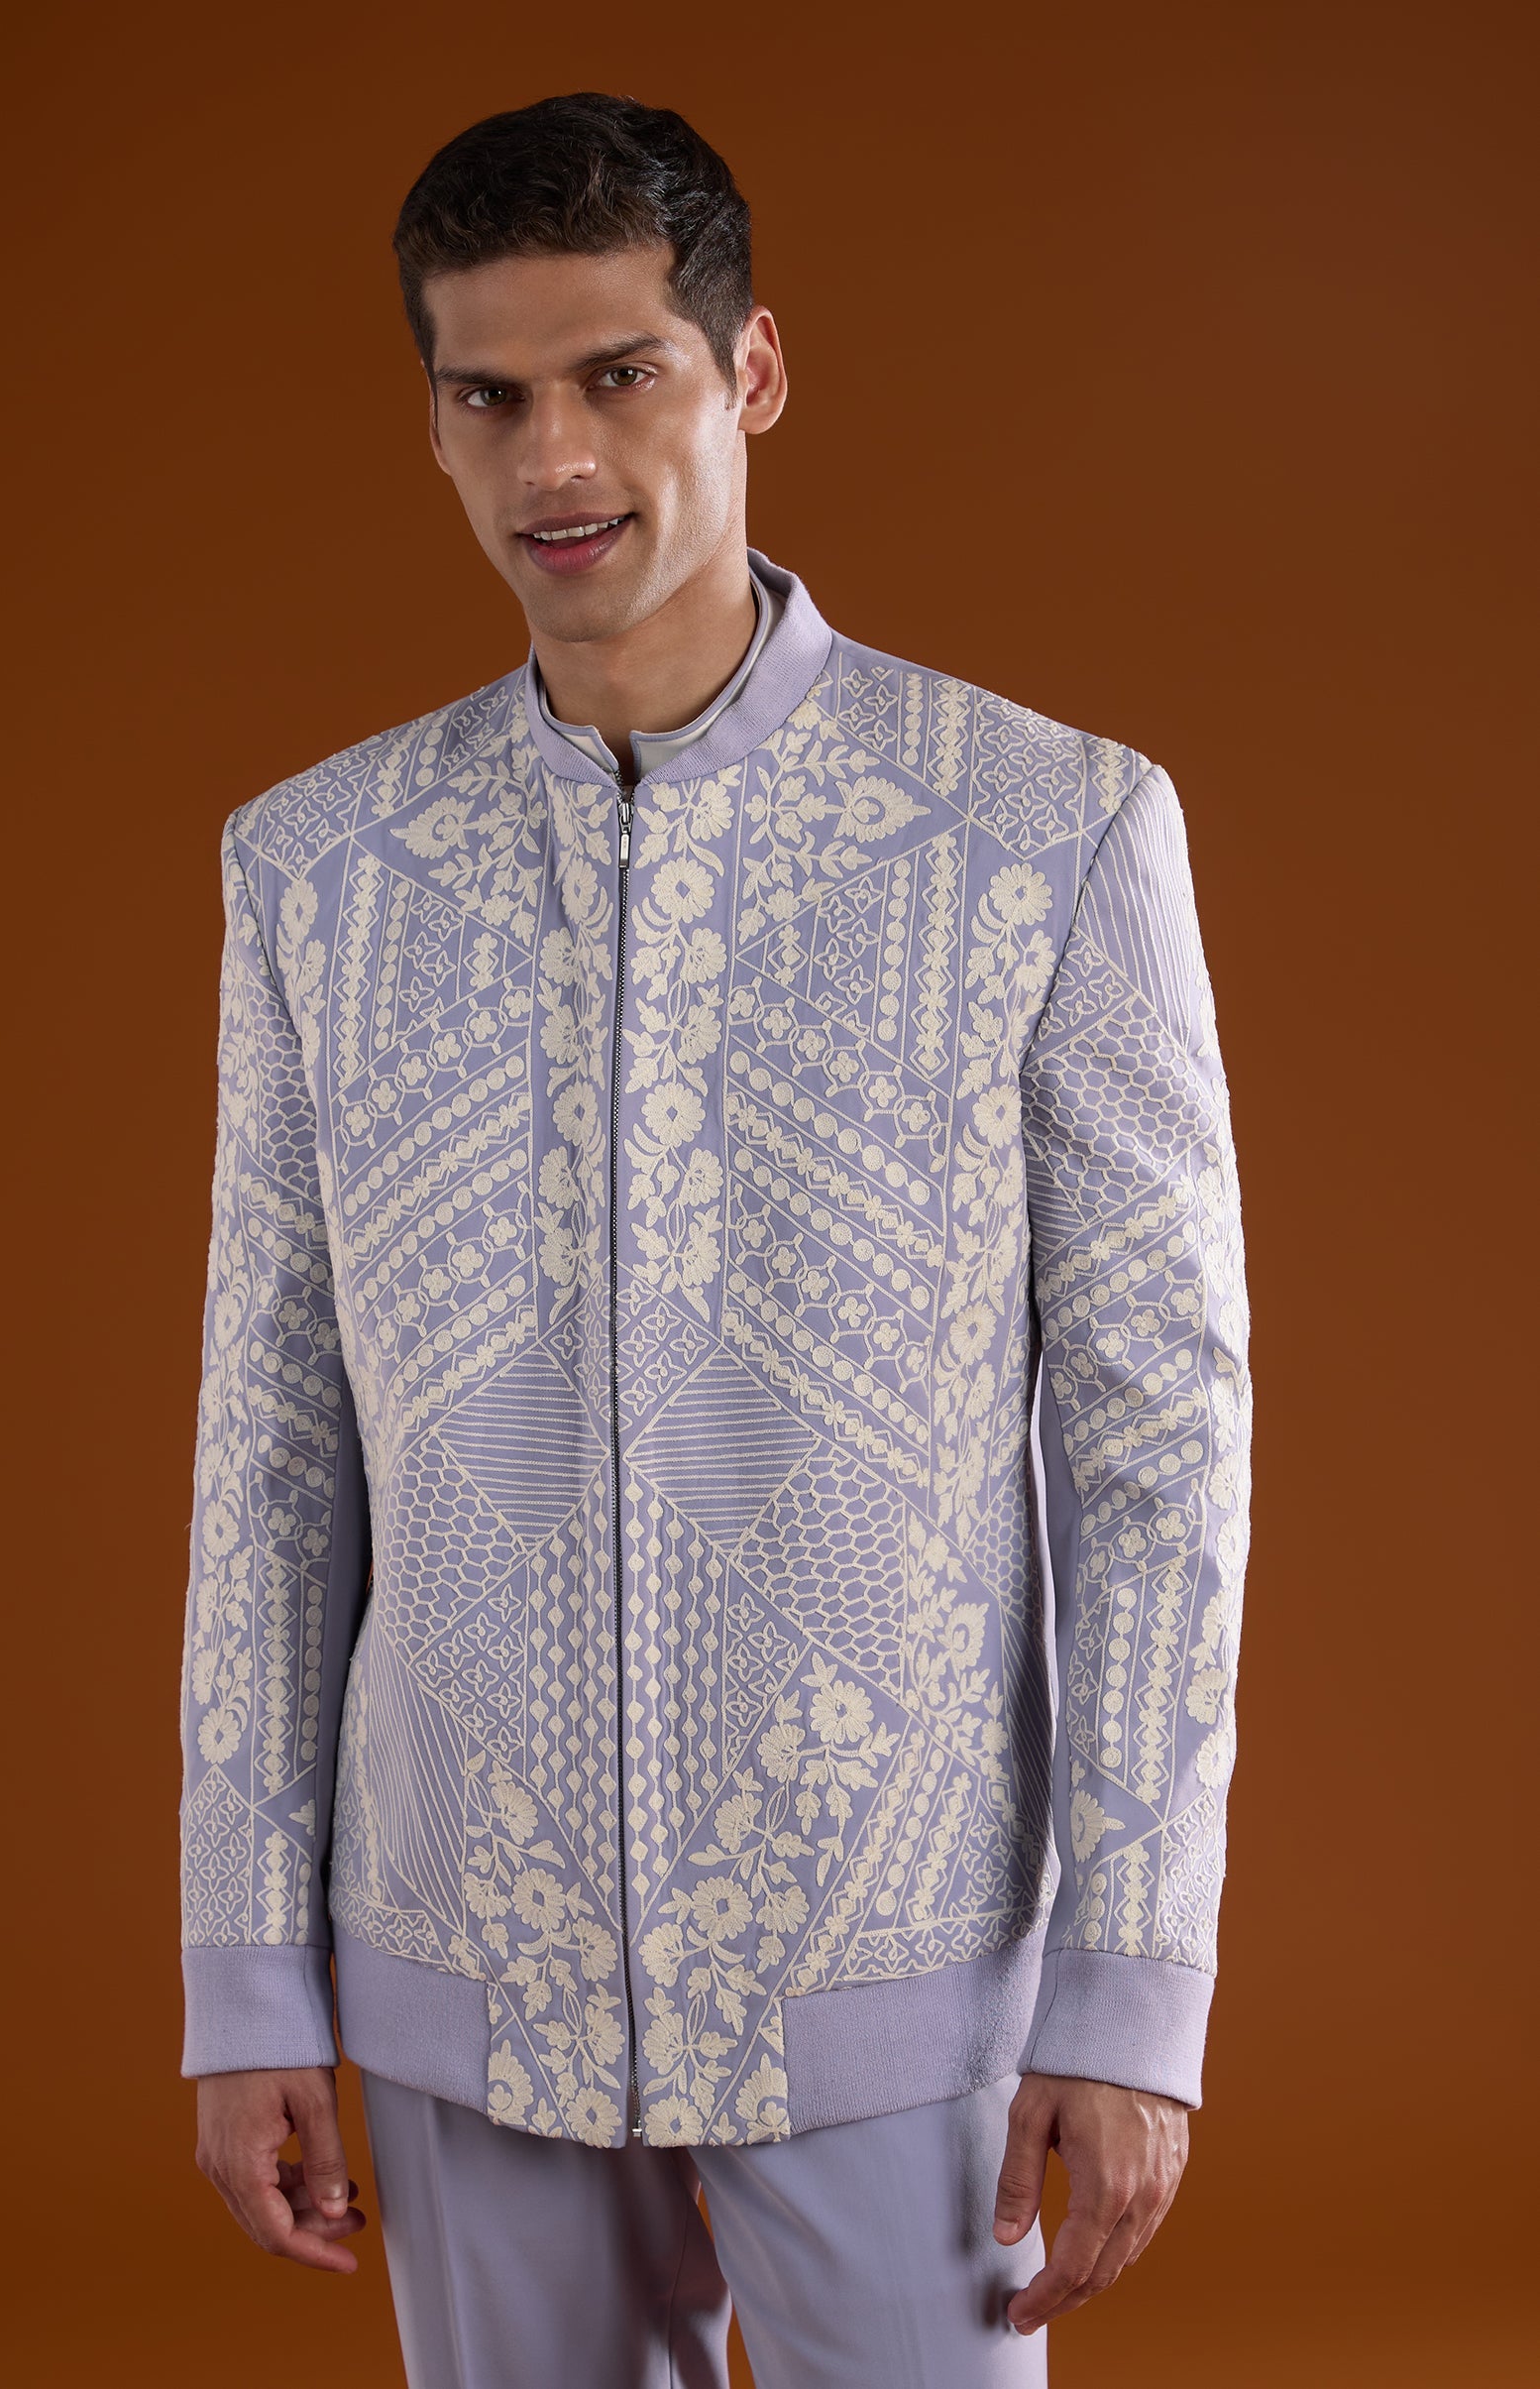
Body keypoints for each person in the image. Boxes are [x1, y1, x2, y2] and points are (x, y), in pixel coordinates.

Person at [177, 90, 1254, 2388]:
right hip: (465, 1954)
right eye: (490, 394)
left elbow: (1162, 1455)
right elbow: (271, 1454)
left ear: (752, 370)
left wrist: (1134, 1984)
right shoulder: (318, 870)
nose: (556, 455)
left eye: (618, 372)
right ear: (435, 423)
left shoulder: (1047, 831)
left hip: (899, 1946)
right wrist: (246, 1970)